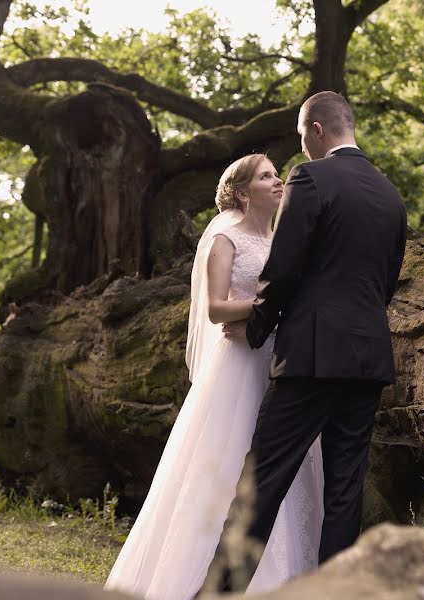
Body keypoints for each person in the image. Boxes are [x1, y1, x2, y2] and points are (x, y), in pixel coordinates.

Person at [208, 91, 408, 588]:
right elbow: (386, 281)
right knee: (345, 491)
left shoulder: (311, 177)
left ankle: (222, 592)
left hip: (311, 357)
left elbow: (283, 269)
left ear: (316, 130)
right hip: (367, 359)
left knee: (264, 481)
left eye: (301, 135)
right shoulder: (390, 194)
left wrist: (255, 328)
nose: (302, 146)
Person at [104, 153, 324, 600]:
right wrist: (267, 307)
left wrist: (278, 311)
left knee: (283, 467)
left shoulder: (282, 240)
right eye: (266, 177)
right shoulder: (226, 238)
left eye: (277, 174)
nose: (278, 181)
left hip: (279, 363)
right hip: (239, 365)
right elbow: (216, 307)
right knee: (230, 463)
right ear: (243, 193)